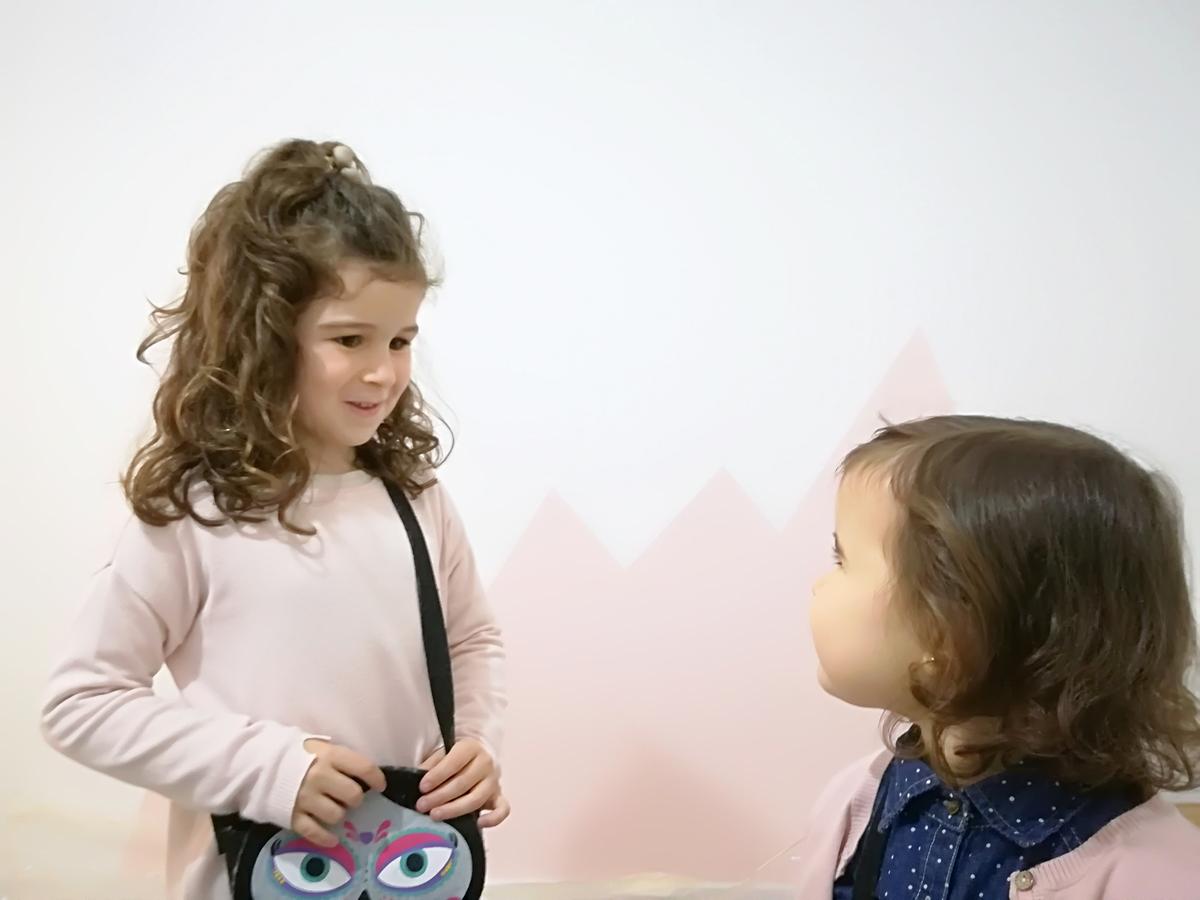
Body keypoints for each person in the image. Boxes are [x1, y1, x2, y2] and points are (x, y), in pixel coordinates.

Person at [41, 139, 508, 899]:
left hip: (407, 874)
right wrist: (269, 768)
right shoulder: (198, 514)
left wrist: (477, 741)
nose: (383, 370)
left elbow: (472, 640)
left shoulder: (415, 496)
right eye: (349, 339)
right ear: (264, 337)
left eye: (400, 341)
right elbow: (81, 703)